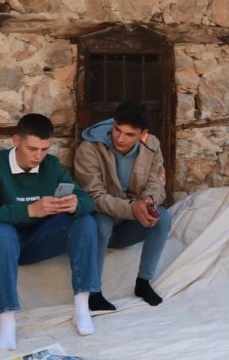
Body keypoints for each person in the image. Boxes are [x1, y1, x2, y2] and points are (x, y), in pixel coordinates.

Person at [0, 114, 102, 349]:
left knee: (85, 221)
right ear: (15, 141)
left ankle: (82, 308)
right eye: (32, 149)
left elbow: (87, 201)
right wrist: (28, 211)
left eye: (44, 149)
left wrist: (75, 205)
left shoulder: (50, 165)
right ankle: (8, 322)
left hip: (34, 242)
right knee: (1, 232)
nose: (38, 156)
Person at [73, 101, 172, 309]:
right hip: (102, 218)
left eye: (129, 135)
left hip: (130, 222)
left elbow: (157, 183)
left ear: (142, 134)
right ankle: (93, 291)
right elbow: (94, 196)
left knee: (162, 218)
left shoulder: (151, 145)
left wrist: (148, 202)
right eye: (117, 130)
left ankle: (143, 282)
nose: (120, 138)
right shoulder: (90, 147)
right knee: (101, 223)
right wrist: (131, 208)